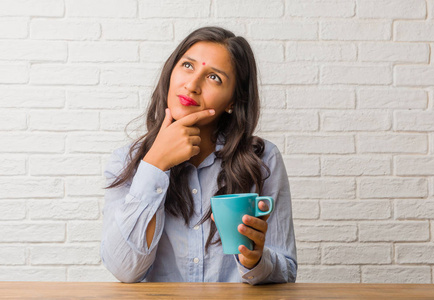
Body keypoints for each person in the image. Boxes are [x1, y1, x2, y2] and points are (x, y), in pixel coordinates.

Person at [101, 26, 297, 285]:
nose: (192, 85)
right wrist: (155, 164)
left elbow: (287, 270)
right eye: (188, 66)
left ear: (232, 102)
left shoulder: (263, 160)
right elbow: (124, 270)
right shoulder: (127, 162)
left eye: (214, 77)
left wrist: (256, 261)